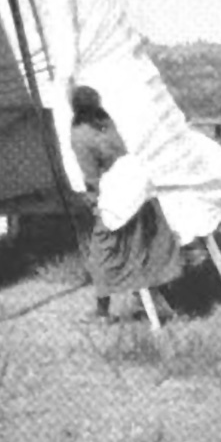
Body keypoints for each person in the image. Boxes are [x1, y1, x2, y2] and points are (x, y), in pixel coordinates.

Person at [69, 85, 181, 323]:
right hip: (137, 189)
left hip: (115, 194)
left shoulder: (80, 134)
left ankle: (102, 312)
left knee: (102, 251)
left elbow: (91, 177)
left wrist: (95, 204)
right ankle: (154, 303)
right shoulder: (105, 121)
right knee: (141, 246)